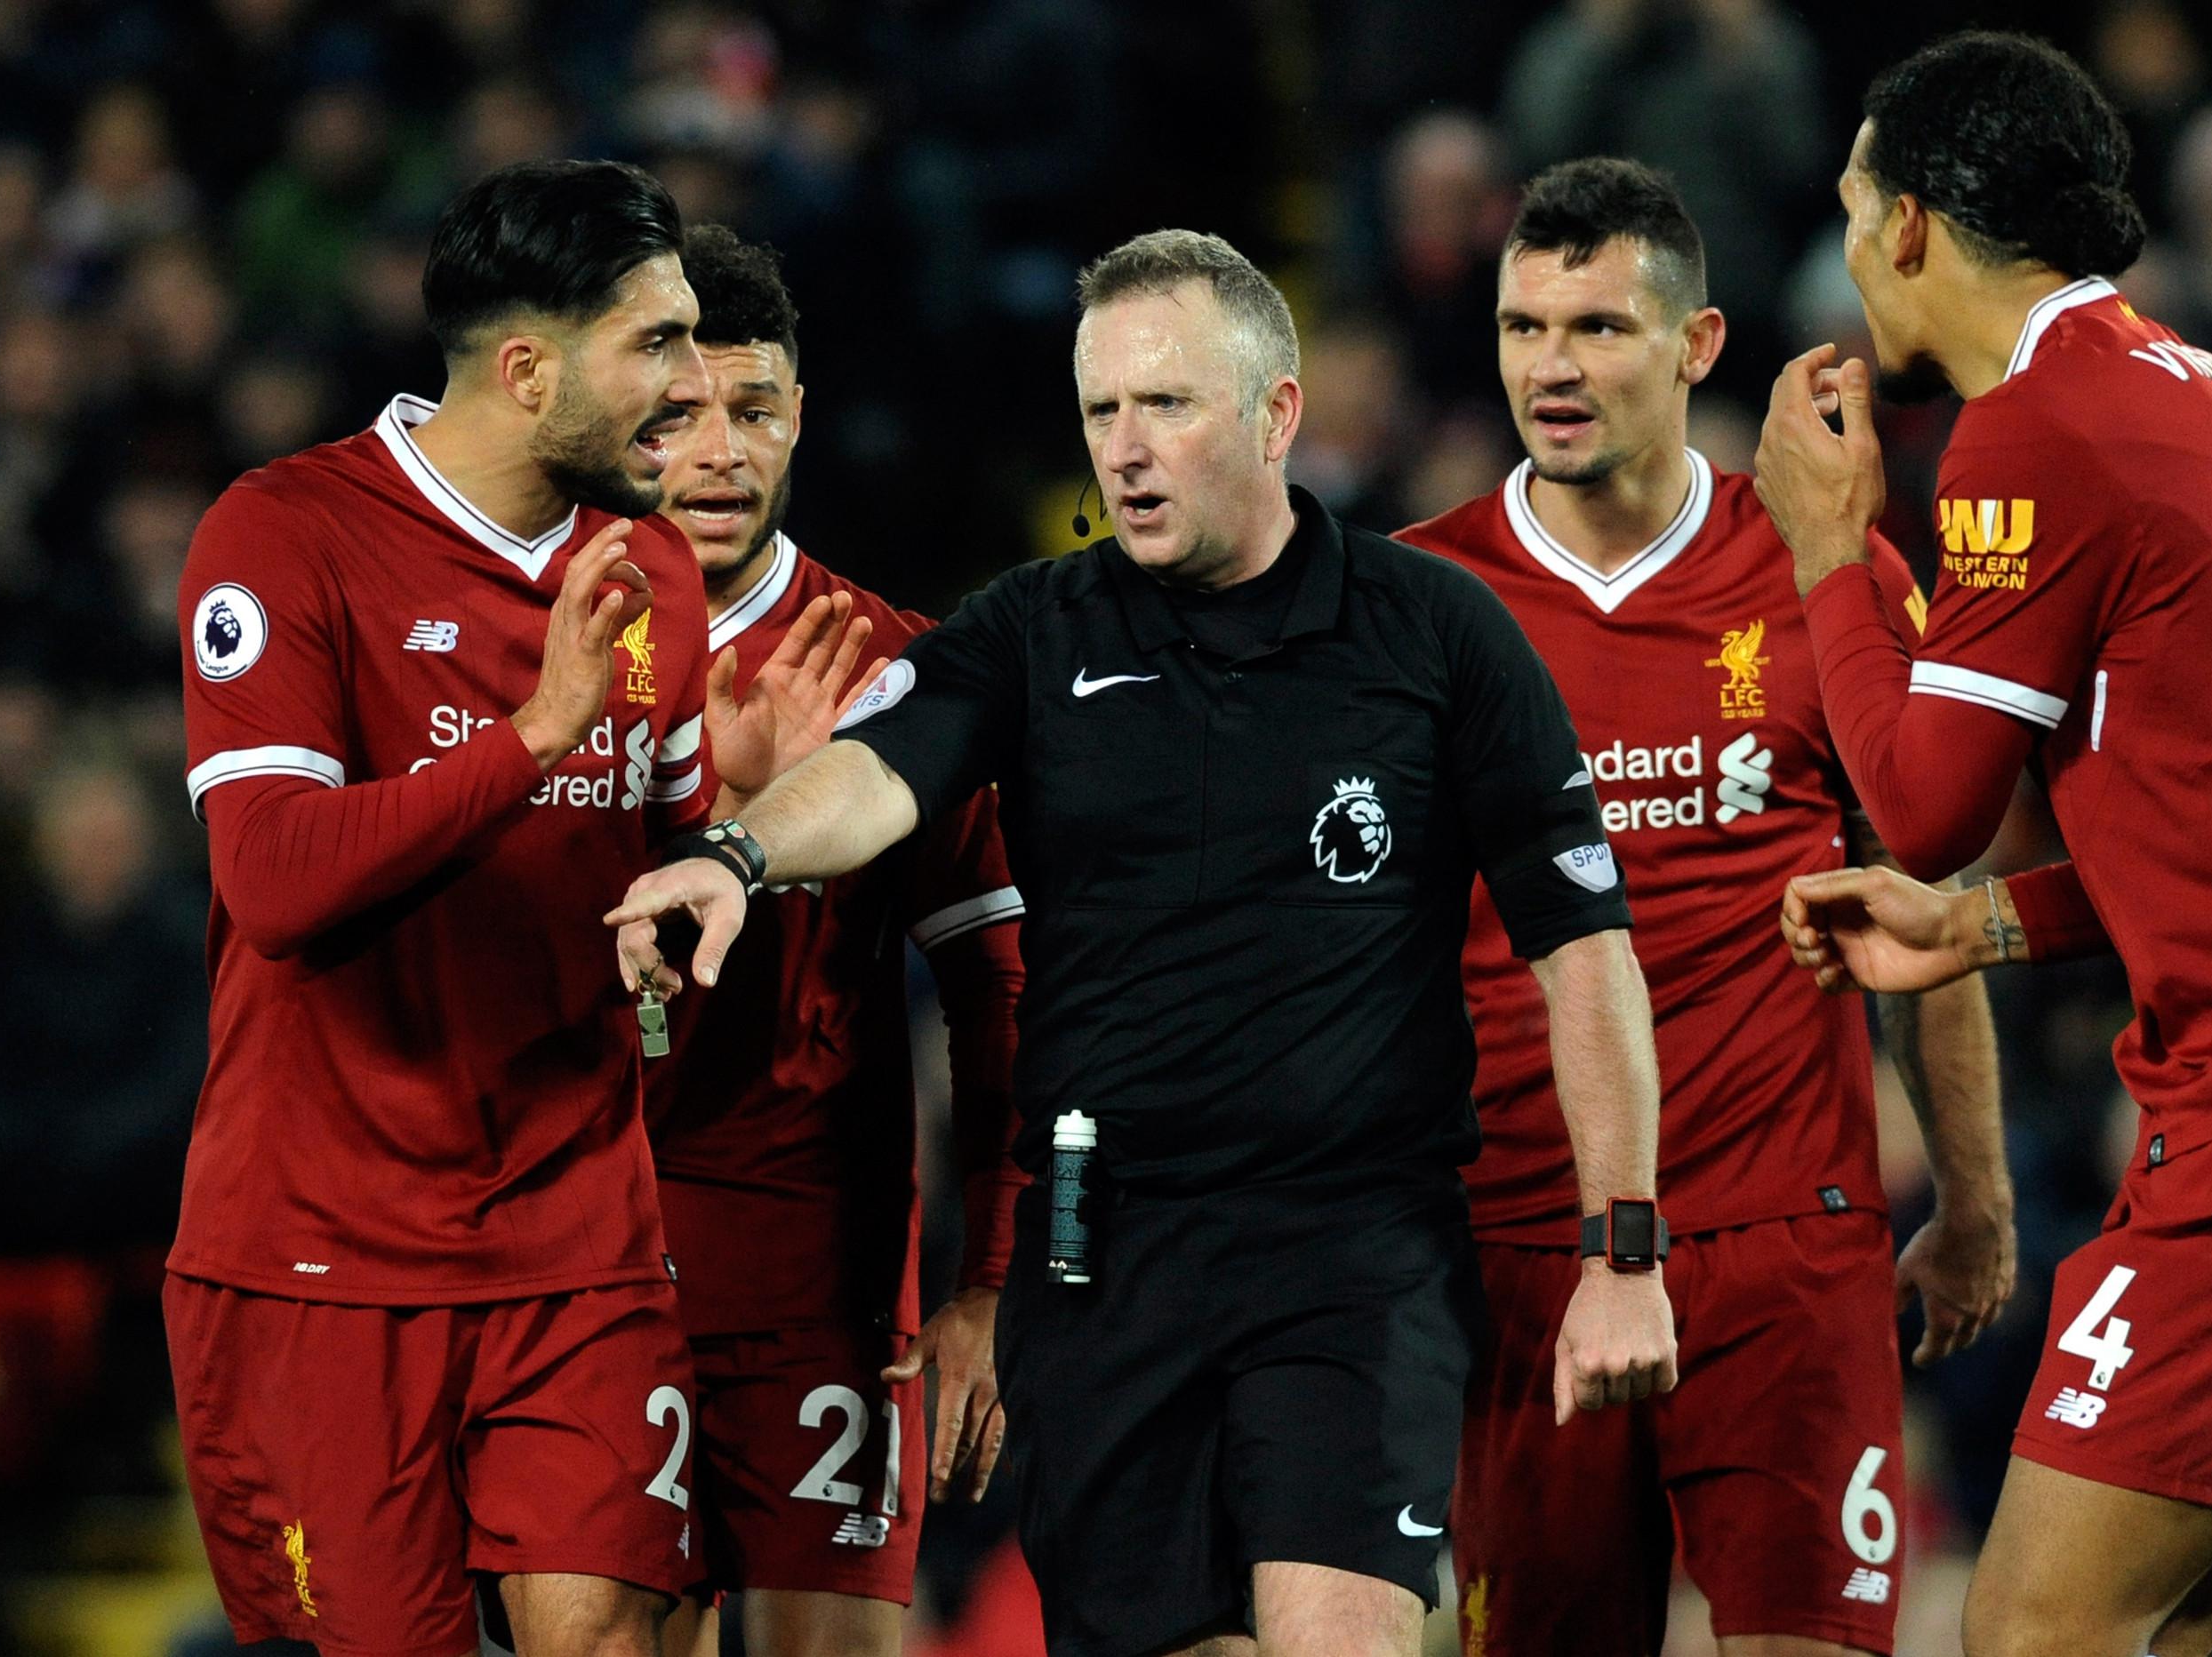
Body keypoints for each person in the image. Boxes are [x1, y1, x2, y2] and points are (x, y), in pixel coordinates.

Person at [608, 228, 1681, 1657]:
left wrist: (1624, 1249)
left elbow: (1583, 949)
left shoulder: (1438, 636)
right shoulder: (1030, 631)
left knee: (1332, 1633)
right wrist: (737, 850)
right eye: (1102, 411)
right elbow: (877, 769)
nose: (1125, 449)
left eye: (1166, 405)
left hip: (1351, 1248)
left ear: (1275, 414)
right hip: (1100, 1254)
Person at [1752, 34, 2212, 1657]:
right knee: (2133, 1636)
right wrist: (1981, 932)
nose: (1848, 246)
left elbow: (1927, 802)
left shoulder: (2036, 429)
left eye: (1853, 205)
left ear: (1912, 232)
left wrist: (1824, 553)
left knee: (2026, 1635)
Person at [168, 159, 801, 1657]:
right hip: (322, 1258)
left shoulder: (649, 567)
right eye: (654, 349)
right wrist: (535, 736)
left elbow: (648, 913)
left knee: (613, 1637)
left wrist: (733, 832)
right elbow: (272, 881)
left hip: (575, 1236)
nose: (688, 393)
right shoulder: (282, 535)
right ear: (527, 372)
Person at [1402, 156, 2009, 1657]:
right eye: (1524, 327)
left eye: (1600, 327)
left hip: (1785, 1244)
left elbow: (1926, 904)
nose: (1553, 366)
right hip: (1527, 1249)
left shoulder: (1826, 570)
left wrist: (1979, 1203)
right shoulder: (1413, 607)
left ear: (1698, 344)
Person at [644, 222, 1029, 1657]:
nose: (723, 451)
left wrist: (991, 1276)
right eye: (682, 414)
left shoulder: (896, 668)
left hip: (828, 1288)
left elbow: (998, 986)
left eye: (755, 409)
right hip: (602, 1274)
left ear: (801, 412)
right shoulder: (546, 659)